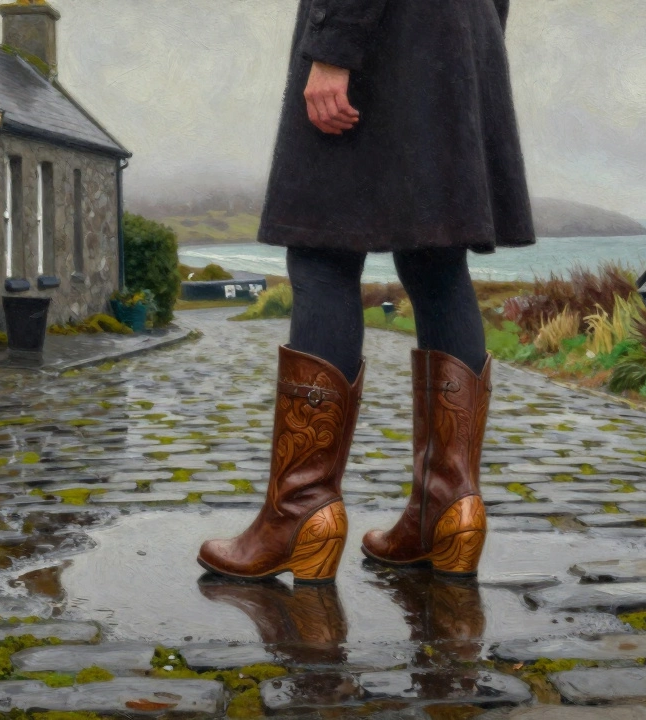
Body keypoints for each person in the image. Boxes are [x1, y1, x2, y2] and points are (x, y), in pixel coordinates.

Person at [198, 0, 535, 582]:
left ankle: (301, 514)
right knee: (437, 260)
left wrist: (333, 47)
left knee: (323, 253)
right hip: (457, 40)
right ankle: (448, 510)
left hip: (381, 39)